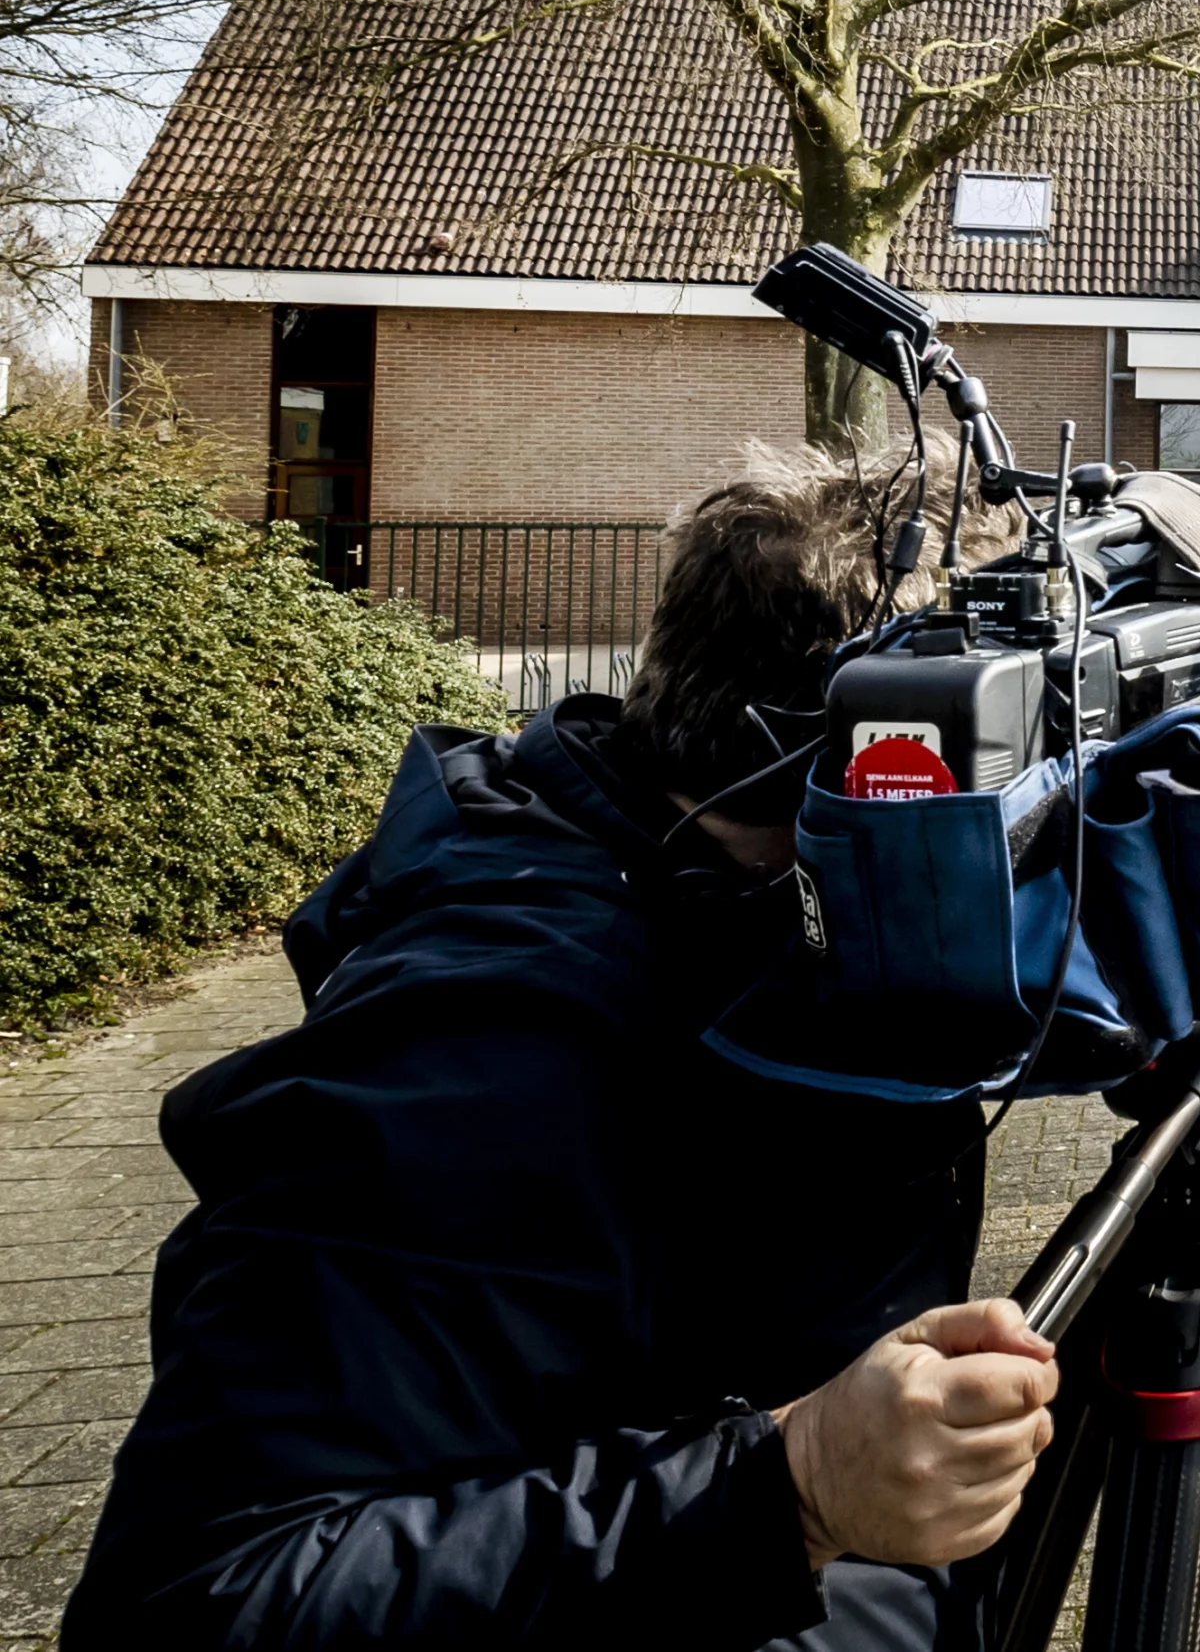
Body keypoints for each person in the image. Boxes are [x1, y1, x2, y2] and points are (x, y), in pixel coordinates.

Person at [66, 452, 1052, 1651]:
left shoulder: (746, 904)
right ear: (880, 750)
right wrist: (782, 1494)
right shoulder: (481, 1067)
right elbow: (191, 1601)